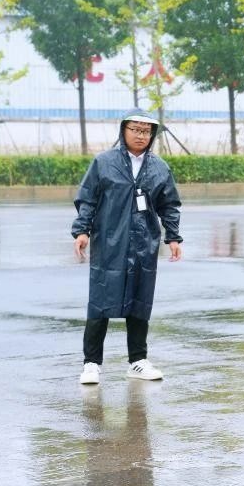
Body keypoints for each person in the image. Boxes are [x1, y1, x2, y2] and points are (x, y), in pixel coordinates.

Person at [72, 108, 183, 384]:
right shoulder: (104, 163)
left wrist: (173, 236)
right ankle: (91, 363)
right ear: (123, 130)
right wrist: (82, 230)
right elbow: (88, 199)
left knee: (140, 299)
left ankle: (137, 361)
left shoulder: (159, 167)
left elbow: (169, 204)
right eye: (135, 129)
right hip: (109, 242)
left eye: (146, 131)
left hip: (144, 242)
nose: (141, 135)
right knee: (100, 301)